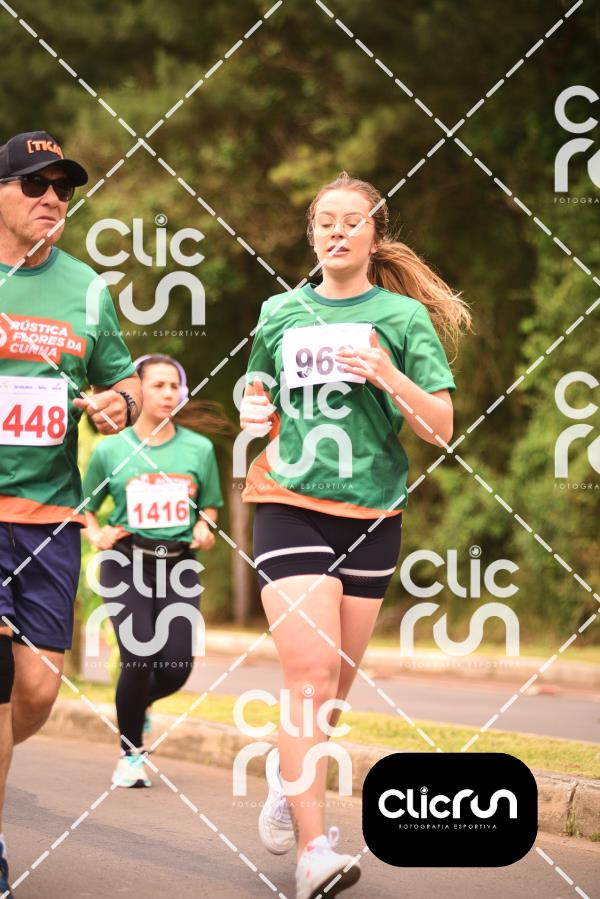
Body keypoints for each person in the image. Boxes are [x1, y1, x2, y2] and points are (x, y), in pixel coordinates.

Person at [240, 172, 470, 899]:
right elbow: (256, 389)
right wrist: (253, 402)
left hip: (372, 513)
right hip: (289, 500)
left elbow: (439, 427)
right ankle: (315, 852)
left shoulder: (402, 317)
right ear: (311, 233)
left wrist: (387, 373)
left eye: (352, 221)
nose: (337, 231)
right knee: (308, 677)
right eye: (325, 221)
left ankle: (287, 776)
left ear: (375, 234)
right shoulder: (281, 311)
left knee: (332, 694)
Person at [0, 130, 141, 897]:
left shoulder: (86, 287)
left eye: (64, 187)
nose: (52, 197)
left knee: (37, 691)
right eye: (34, 183)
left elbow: (123, 379)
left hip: (51, 513)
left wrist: (118, 404)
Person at [82, 353, 224, 788]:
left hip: (179, 565)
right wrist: (96, 533)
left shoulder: (198, 449)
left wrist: (205, 526)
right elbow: (84, 506)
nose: (168, 393)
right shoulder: (111, 449)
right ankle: (130, 755)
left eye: (174, 386)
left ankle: (135, 703)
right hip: (125, 561)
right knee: (139, 654)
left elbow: (210, 506)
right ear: (138, 390)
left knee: (177, 666)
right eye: (158, 385)